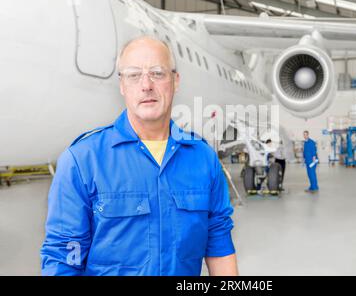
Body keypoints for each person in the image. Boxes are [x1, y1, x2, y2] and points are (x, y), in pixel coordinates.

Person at [40, 36, 238, 276]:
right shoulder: (83, 160)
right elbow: (63, 258)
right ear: (122, 85)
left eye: (157, 73)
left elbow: (218, 241)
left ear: (175, 81)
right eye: (134, 75)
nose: (146, 85)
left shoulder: (203, 158)